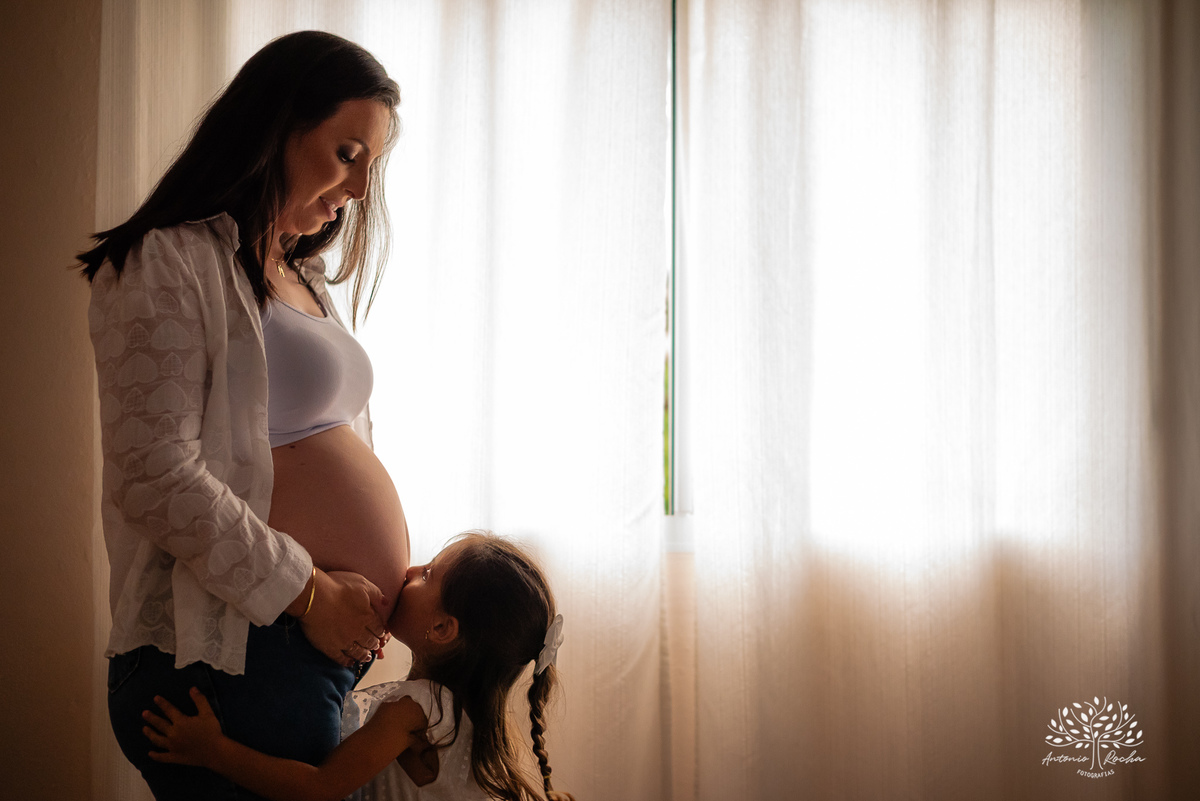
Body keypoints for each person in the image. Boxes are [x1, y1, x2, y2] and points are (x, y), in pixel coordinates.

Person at [79, 31, 410, 799]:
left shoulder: (298, 276)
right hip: (226, 653)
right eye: (347, 153)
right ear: (277, 127)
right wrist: (311, 593)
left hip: (298, 653)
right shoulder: (166, 260)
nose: (360, 190)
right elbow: (154, 476)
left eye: (372, 164)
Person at [141, 532, 574, 801]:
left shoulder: (418, 708)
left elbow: (320, 788)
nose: (410, 570)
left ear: (442, 627)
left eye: (428, 574)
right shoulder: (462, 715)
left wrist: (215, 751)